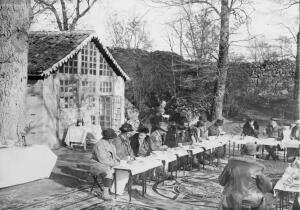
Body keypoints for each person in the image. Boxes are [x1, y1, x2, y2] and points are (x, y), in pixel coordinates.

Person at [219, 142, 273, 210]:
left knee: (223, 200)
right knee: (266, 201)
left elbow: (221, 181)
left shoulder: (231, 163)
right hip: (252, 201)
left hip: (231, 201)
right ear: (254, 155)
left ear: (242, 152)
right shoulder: (258, 167)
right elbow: (267, 187)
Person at [90, 129, 119, 201]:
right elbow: (103, 160)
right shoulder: (99, 145)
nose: (113, 139)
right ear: (108, 138)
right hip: (96, 164)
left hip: (107, 163)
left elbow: (114, 155)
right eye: (112, 138)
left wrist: (119, 160)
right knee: (108, 172)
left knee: (119, 169)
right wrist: (115, 163)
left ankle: (114, 189)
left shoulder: (110, 144)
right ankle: (105, 194)